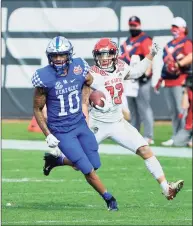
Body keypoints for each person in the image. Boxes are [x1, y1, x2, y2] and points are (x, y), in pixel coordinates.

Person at [44, 38, 184, 201]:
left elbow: (136, 72)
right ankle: (57, 160)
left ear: (114, 54)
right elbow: (80, 97)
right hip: (96, 124)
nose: (104, 58)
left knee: (145, 150)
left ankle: (166, 188)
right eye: (100, 54)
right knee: (80, 164)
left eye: (108, 54)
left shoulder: (121, 66)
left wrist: (151, 55)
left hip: (117, 122)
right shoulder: (91, 74)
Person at [32, 36, 118, 211]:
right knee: (87, 169)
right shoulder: (44, 77)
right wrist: (48, 134)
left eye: (62, 55)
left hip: (79, 123)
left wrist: (84, 102)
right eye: (55, 56)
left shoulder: (79, 67)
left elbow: (89, 81)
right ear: (49, 57)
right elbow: (37, 108)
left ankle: (56, 161)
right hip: (61, 130)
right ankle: (109, 199)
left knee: (94, 163)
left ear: (69, 55)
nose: (58, 59)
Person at [155, 17, 193, 146]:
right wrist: (160, 79)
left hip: (181, 80)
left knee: (181, 110)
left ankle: (185, 136)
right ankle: (176, 135)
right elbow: (165, 65)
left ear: (183, 28)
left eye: (176, 27)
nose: (174, 29)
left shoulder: (186, 42)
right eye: (173, 27)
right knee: (173, 111)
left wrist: (179, 63)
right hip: (169, 80)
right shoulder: (169, 44)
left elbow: (190, 56)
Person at [119, 16, 154, 145]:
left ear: (139, 25)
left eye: (135, 25)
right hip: (130, 80)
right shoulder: (127, 41)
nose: (133, 27)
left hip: (142, 80)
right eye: (131, 25)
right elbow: (121, 58)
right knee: (132, 109)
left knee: (144, 107)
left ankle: (148, 135)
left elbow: (149, 57)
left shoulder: (145, 39)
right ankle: (134, 134)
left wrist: (147, 72)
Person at [173, 73, 193, 147]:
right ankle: (189, 139)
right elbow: (184, 106)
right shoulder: (189, 92)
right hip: (189, 126)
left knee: (190, 144)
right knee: (177, 142)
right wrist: (185, 90)